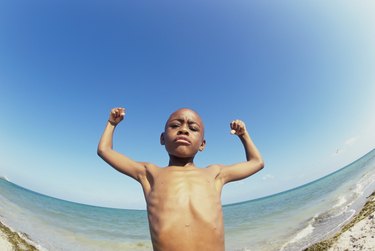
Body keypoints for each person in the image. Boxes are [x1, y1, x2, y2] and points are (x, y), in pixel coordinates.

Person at [97, 107, 264, 251]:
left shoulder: (214, 173)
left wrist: (244, 135)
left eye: (193, 128)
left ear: (202, 144)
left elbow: (257, 163)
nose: (184, 130)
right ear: (162, 138)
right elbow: (105, 151)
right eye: (175, 125)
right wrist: (112, 124)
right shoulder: (149, 173)